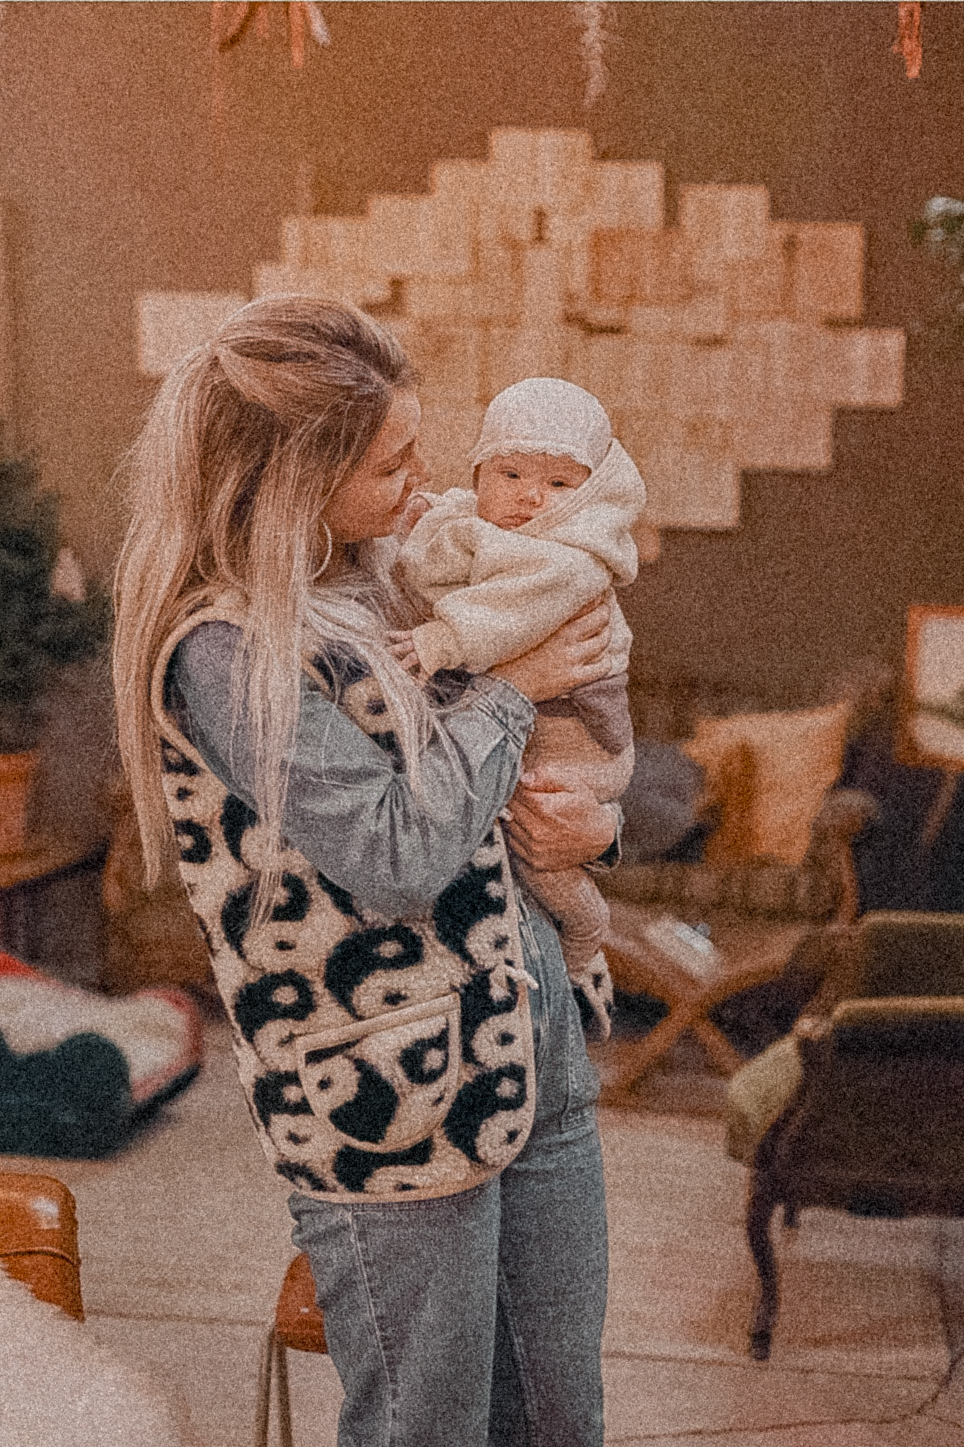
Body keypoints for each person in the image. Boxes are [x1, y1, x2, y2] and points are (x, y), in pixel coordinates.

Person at [112, 296, 618, 1447]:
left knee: (558, 1422)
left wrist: (583, 833)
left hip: (535, 1061)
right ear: (294, 478)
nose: (422, 479)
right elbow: (397, 853)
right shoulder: (223, 649)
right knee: (425, 1427)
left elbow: (512, 782)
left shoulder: (385, 578)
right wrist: (510, 689)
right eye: (391, 463)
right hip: (396, 1109)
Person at [390, 377, 646, 1040]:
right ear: (479, 470)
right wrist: (430, 519)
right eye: (510, 474)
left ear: (587, 495)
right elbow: (459, 541)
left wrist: (442, 640)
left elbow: (509, 612)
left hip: (575, 738)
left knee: (537, 838)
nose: (531, 497)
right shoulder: (493, 529)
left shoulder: (567, 558)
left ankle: (586, 926)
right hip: (530, 733)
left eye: (559, 484)